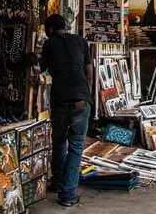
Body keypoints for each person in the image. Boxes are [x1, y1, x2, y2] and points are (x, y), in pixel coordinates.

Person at [40, 14, 91, 208]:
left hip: (60, 99)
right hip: (80, 100)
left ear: (49, 30)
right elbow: (89, 72)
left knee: (60, 141)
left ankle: (61, 185)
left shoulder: (49, 44)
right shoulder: (81, 41)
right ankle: (67, 192)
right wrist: (88, 98)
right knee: (76, 146)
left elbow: (41, 69)